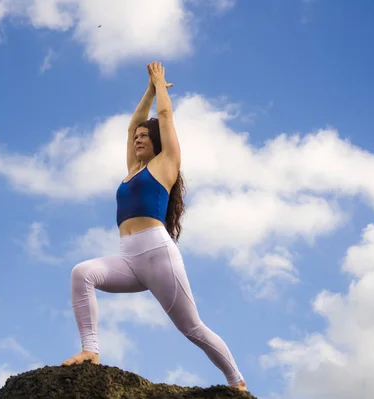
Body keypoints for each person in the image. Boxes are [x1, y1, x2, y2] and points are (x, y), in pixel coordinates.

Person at [61, 61, 248, 392]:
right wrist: (146, 91)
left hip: (158, 255)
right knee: (82, 273)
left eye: (145, 137)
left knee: (192, 328)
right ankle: (91, 351)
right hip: (128, 260)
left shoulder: (165, 164)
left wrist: (160, 85)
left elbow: (164, 118)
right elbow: (134, 121)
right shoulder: (134, 167)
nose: (138, 139)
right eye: (136, 137)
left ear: (158, 142)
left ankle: (237, 383)